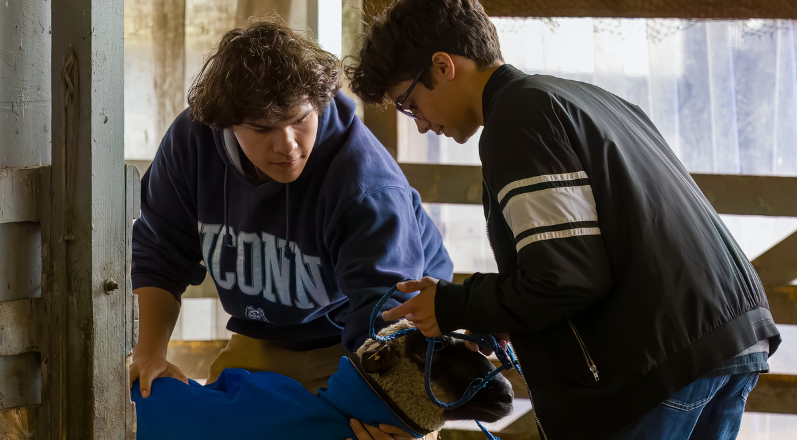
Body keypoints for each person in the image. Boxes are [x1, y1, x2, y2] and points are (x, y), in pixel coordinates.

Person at [344, 1, 782, 439]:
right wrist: (503, 315)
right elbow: (586, 257)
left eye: (409, 103)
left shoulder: (518, 119)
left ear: (442, 67)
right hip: (726, 337)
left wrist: (455, 305)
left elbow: (565, 277)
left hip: (660, 362)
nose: (420, 125)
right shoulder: (584, 98)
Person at [129, 18, 453, 437]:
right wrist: (149, 351)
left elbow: (388, 317)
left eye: (300, 119)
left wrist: (401, 418)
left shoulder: (365, 183)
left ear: (319, 101)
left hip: (371, 341)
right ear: (225, 122)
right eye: (262, 128)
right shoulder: (192, 142)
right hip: (265, 333)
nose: (287, 145)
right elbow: (160, 254)